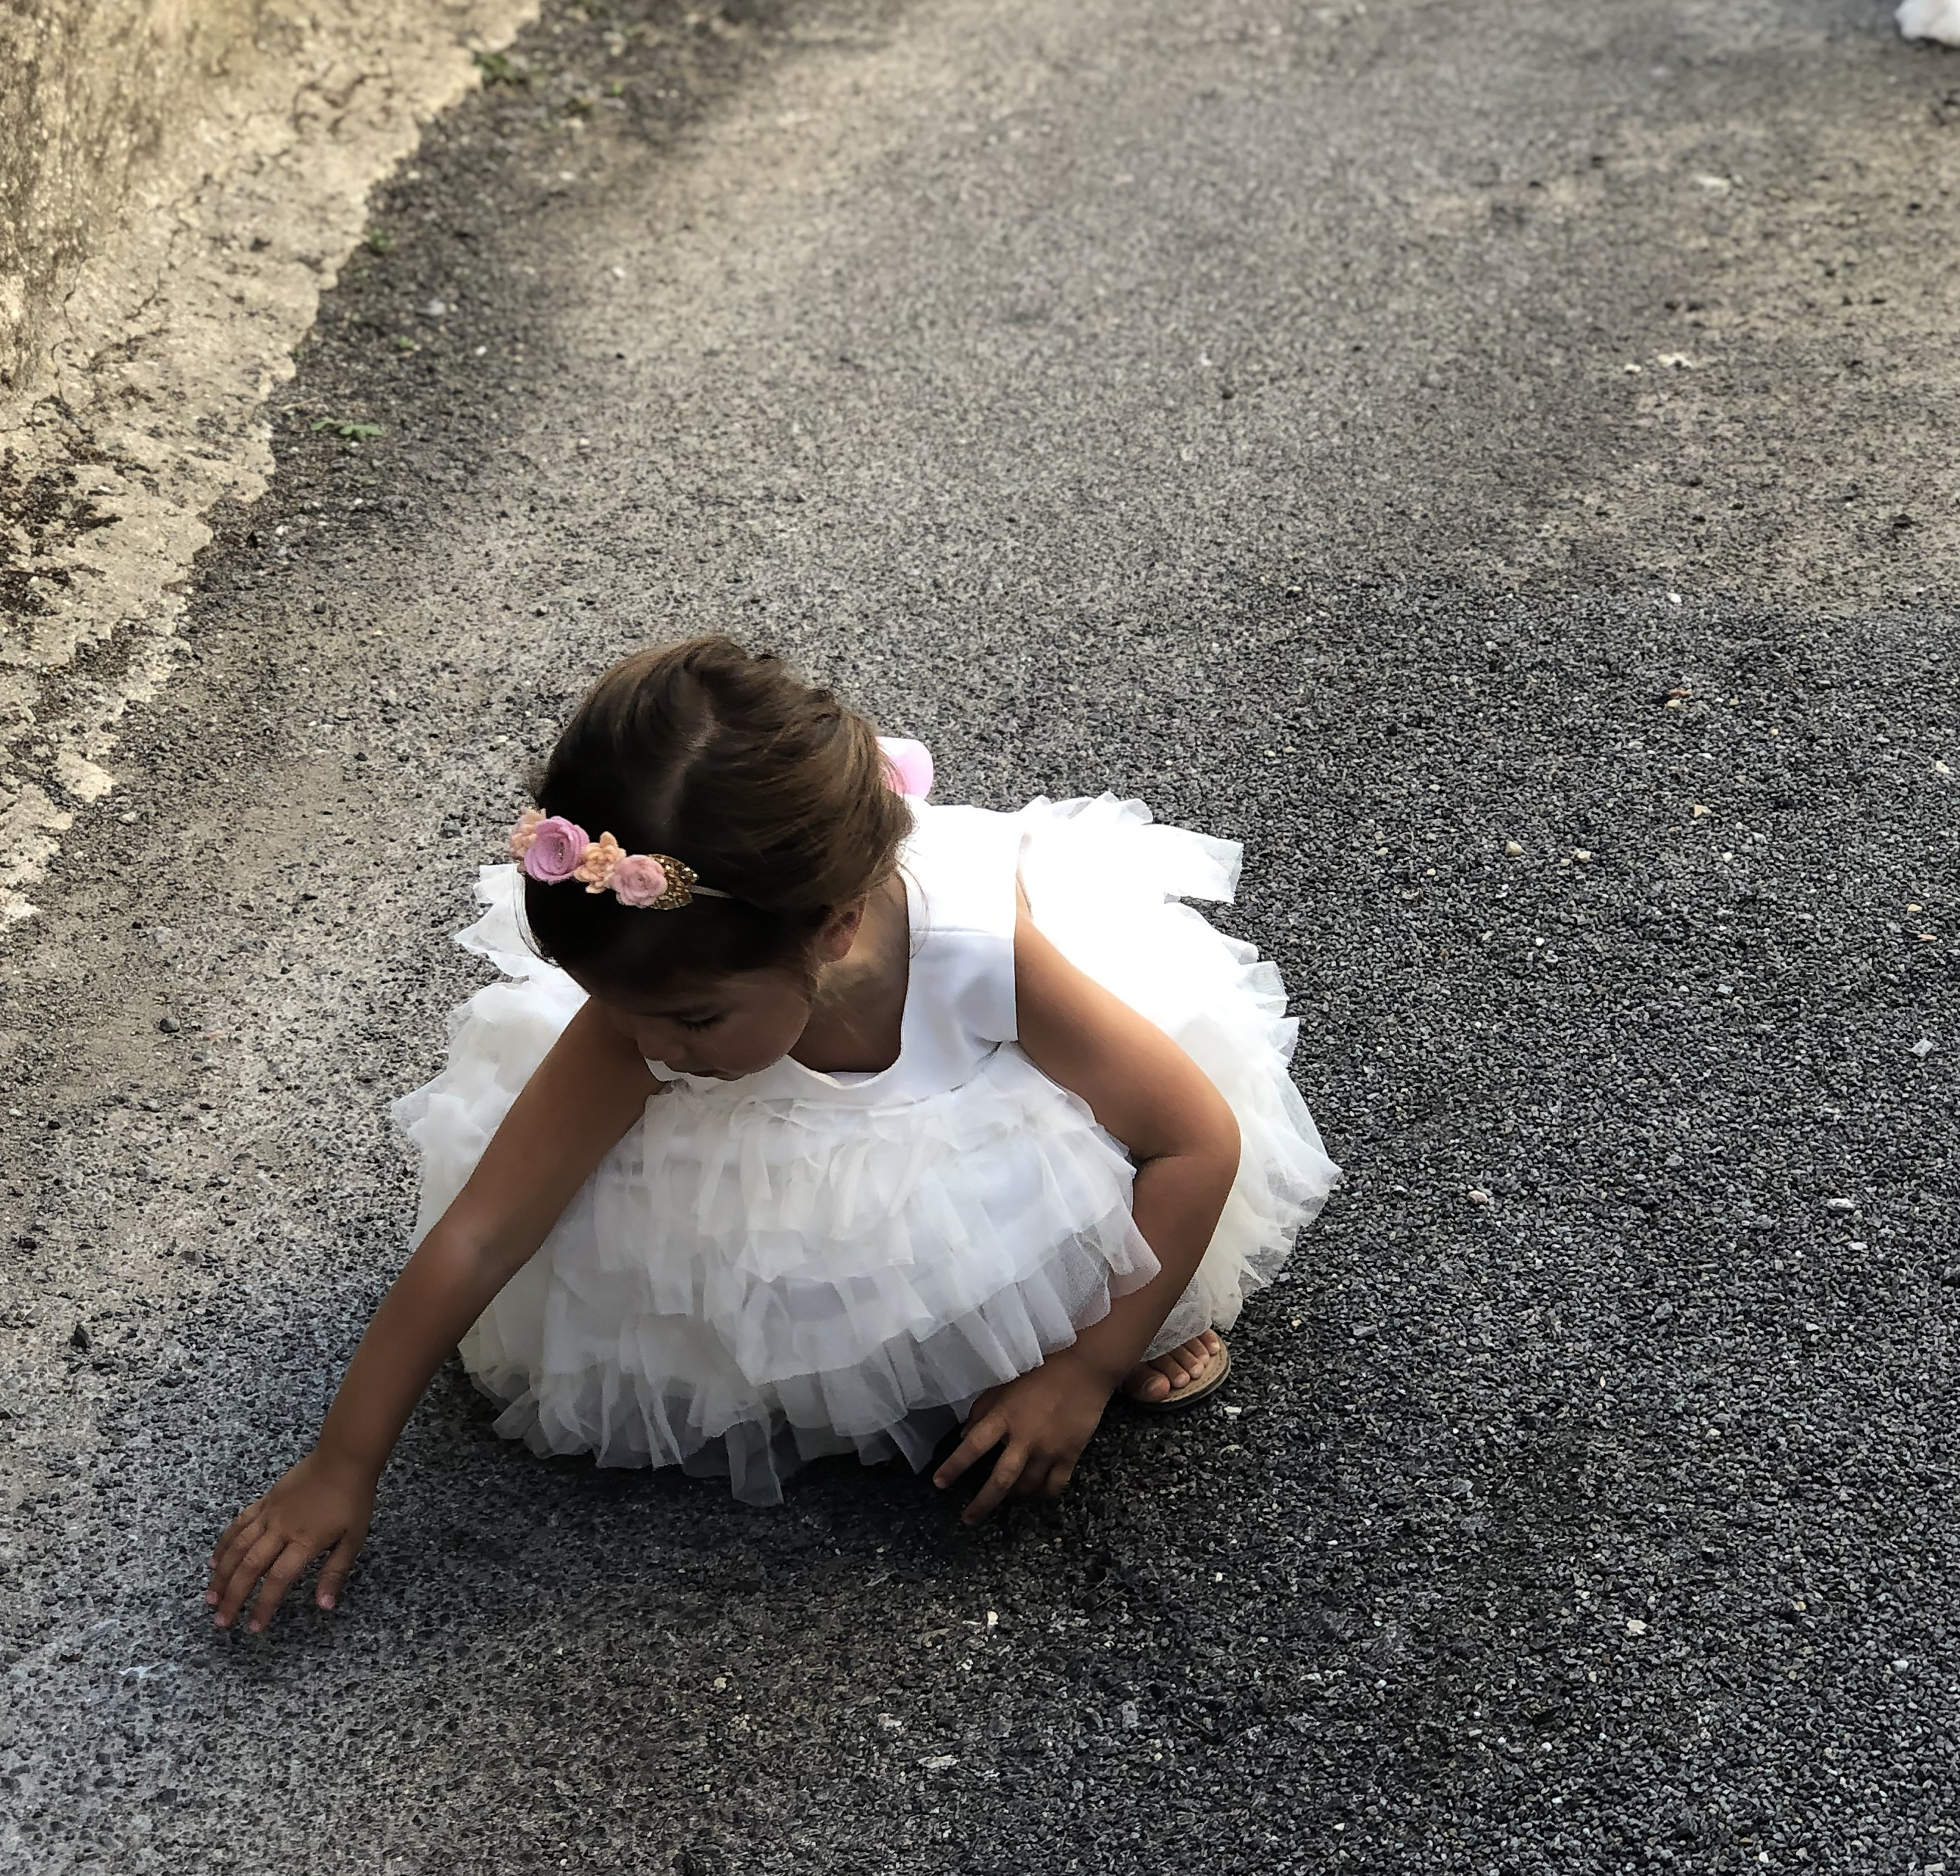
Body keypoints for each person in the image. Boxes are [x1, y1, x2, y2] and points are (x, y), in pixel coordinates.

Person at [208, 638, 1338, 1630]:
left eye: (692, 1022)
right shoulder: (652, 1006)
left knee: (1088, 1205)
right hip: (782, 1124)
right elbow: (486, 1230)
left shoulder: (978, 949)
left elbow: (1193, 1142)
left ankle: (1139, 1315)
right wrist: (342, 1460)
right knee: (664, 1249)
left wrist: (1086, 1366)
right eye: (621, 1011)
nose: (652, 1046)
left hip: (986, 1107)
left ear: (835, 930)